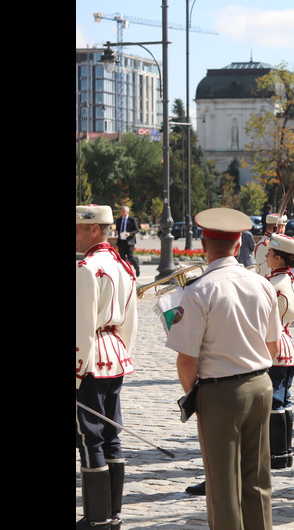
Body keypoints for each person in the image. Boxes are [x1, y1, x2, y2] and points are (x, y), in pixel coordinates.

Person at [165, 207, 280, 530]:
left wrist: (195, 395)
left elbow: (186, 360)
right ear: (240, 243)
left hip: (220, 391)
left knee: (222, 485)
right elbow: (273, 345)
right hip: (260, 384)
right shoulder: (261, 284)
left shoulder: (200, 290)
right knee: (257, 478)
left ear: (203, 243)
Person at [76, 205, 137, 529]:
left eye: (78, 229)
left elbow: (82, 327)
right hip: (114, 354)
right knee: (111, 434)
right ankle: (113, 513)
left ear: (95, 230)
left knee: (90, 437)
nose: (74, 235)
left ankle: (97, 517)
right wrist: (123, 352)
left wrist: (76, 370)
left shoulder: (88, 267)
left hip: (91, 358)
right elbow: (131, 321)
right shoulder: (122, 264)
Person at [265, 233, 294, 468]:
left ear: (279, 258)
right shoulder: (289, 279)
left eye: (270, 254)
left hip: (274, 345)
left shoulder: (272, 285)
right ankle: (285, 451)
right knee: (284, 399)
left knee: (274, 401)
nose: (266, 257)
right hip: (286, 343)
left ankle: (277, 454)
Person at [115, 205, 140, 277]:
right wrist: (116, 232)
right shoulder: (119, 220)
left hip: (129, 241)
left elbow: (136, 230)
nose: (122, 212)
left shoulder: (132, 220)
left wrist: (130, 233)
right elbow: (118, 229)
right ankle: (125, 272)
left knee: (130, 256)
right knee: (122, 258)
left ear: (127, 212)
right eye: (121, 211)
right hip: (121, 241)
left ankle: (137, 267)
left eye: (123, 211)